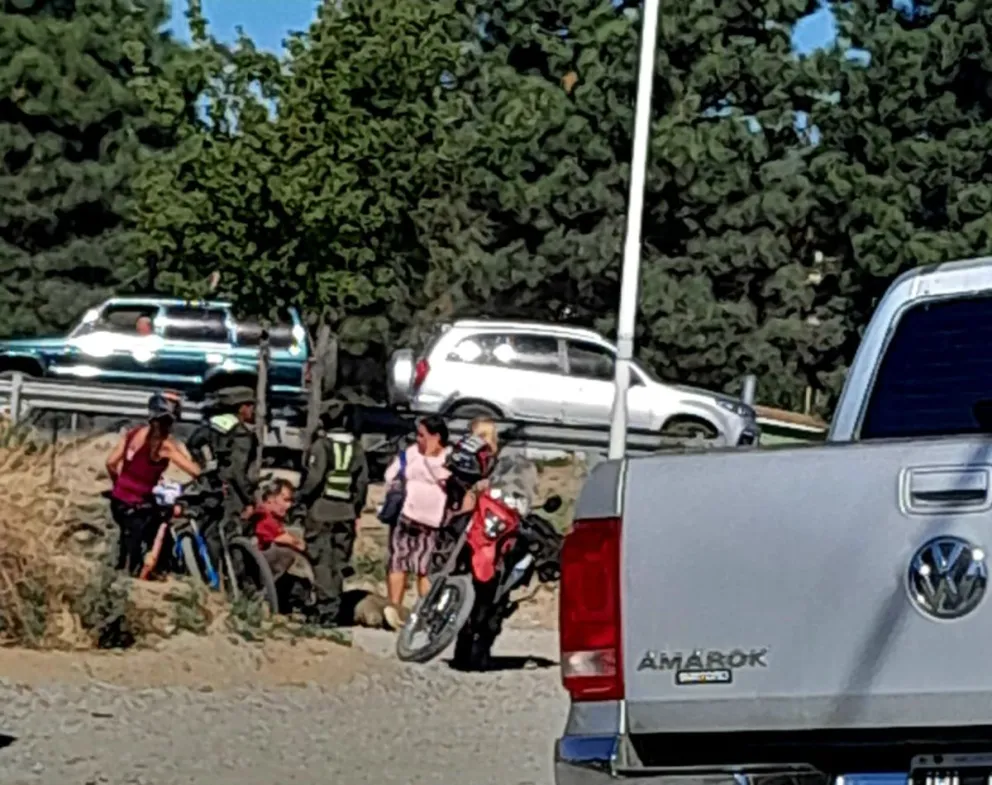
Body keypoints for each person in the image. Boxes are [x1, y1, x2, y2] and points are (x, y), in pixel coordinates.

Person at [106, 392, 201, 575]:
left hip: (118, 500)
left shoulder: (133, 433)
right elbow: (194, 471)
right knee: (162, 521)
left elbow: (110, 463)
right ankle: (157, 569)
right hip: (138, 504)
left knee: (127, 549)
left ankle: (124, 569)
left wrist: (120, 484)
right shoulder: (165, 445)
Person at [294, 399, 369, 626]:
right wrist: (355, 508)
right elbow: (362, 483)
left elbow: (314, 478)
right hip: (345, 513)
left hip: (321, 511)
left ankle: (326, 611)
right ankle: (335, 606)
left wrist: (301, 498)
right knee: (339, 562)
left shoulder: (322, 445)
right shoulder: (356, 447)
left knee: (322, 562)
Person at [382, 414, 450, 616]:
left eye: (422, 435)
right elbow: (390, 475)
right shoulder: (411, 453)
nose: (418, 439)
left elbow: (448, 480)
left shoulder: (449, 458)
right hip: (407, 516)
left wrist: (431, 459)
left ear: (436, 436)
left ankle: (425, 613)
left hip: (432, 523)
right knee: (398, 562)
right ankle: (395, 608)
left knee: (424, 568)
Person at [202, 386, 259, 567]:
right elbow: (237, 471)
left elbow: (193, 444)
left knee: (211, 532)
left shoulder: (214, 425)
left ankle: (211, 576)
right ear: (241, 408)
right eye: (250, 405)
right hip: (232, 492)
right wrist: (249, 499)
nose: (253, 410)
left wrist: (206, 466)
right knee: (233, 534)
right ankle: (234, 582)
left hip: (211, 484)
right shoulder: (241, 434)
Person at [252, 477, 307, 580]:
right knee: (288, 553)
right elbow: (284, 538)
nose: (289, 505)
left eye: (290, 501)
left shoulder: (272, 517)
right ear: (270, 498)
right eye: (285, 500)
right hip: (258, 565)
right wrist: (300, 544)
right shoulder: (264, 517)